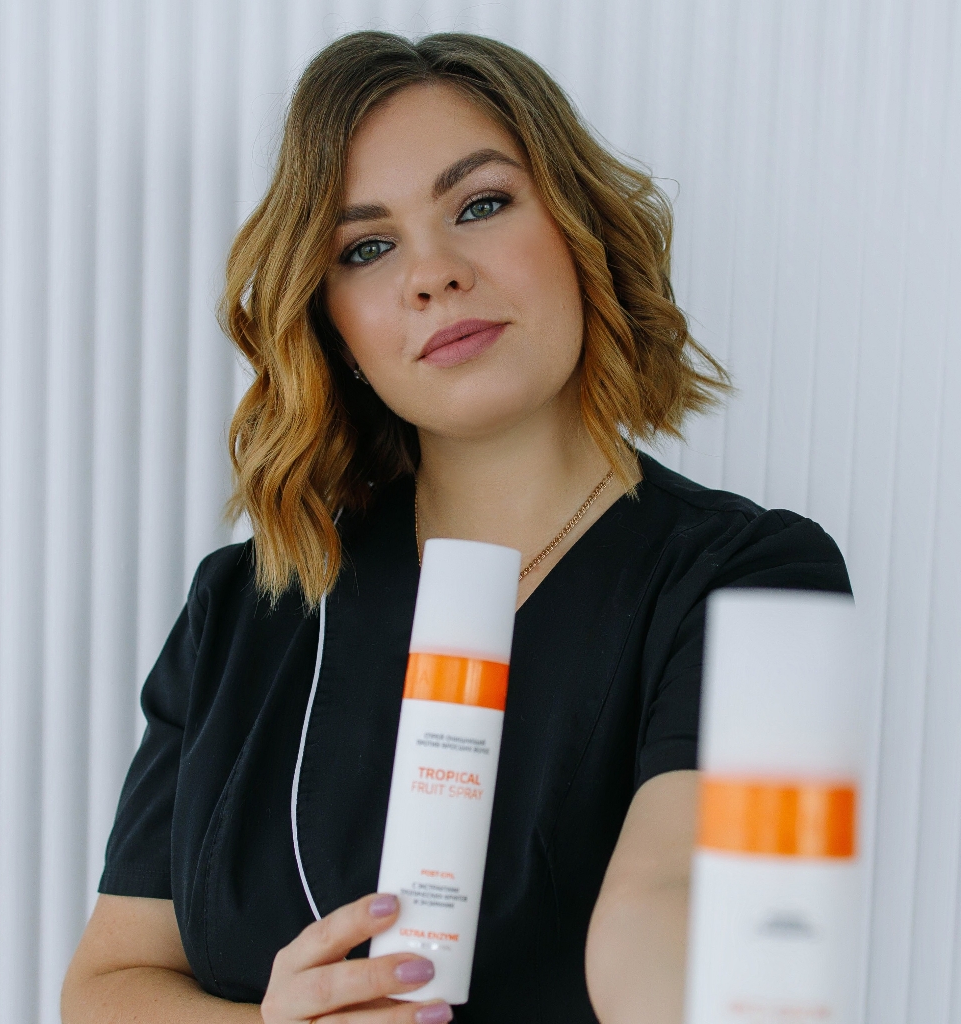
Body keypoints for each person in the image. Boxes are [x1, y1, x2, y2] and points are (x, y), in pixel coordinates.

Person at [61, 30, 850, 1024]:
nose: (431, 274)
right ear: (334, 324)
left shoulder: (751, 580)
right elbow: (106, 988)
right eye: (367, 248)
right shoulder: (244, 603)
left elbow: (674, 895)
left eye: (479, 204)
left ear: (579, 228)